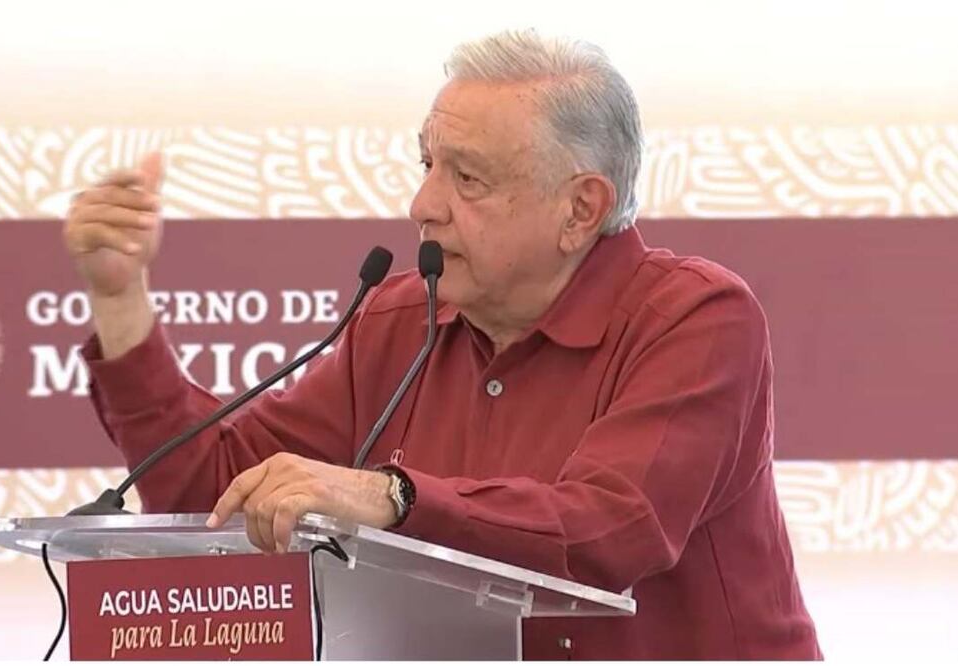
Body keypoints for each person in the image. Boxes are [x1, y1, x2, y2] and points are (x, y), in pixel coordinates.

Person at [64, 29, 821, 660]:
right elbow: (220, 490)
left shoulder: (693, 316)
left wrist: (392, 498)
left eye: (468, 177)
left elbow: (610, 527)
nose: (421, 206)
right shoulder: (401, 320)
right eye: (427, 165)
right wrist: (119, 297)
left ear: (579, 209)